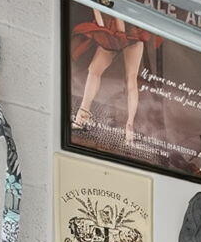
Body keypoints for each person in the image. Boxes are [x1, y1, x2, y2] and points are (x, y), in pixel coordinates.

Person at [69, 9, 162, 146]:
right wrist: (106, 35)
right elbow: (102, 14)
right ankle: (84, 114)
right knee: (97, 71)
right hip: (115, 33)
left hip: (127, 33)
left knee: (128, 78)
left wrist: (110, 34)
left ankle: (128, 125)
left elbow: (113, 16)